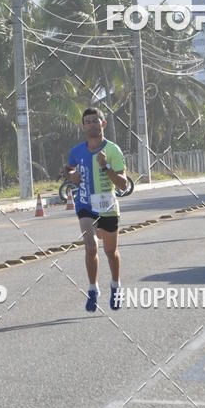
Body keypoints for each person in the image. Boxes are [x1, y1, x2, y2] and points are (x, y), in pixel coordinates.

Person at [64, 107, 128, 312]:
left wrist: (105, 167)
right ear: (83, 126)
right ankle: (93, 289)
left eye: (95, 121)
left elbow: (123, 185)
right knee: (90, 247)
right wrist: (71, 175)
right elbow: (68, 169)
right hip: (85, 205)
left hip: (107, 206)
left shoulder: (113, 150)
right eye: (87, 122)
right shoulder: (76, 151)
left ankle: (116, 286)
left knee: (110, 251)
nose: (91, 125)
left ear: (103, 124)